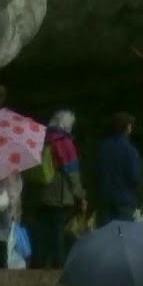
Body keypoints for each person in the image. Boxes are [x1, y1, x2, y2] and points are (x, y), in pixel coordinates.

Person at [31, 110, 87, 269]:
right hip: (59, 196)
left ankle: (37, 263)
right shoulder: (65, 142)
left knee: (41, 231)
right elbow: (72, 172)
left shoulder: (43, 139)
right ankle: (58, 265)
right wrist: (80, 195)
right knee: (58, 233)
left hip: (41, 193)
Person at [97, 111, 143, 226]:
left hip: (105, 199)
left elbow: (97, 173)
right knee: (123, 237)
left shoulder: (103, 147)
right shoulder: (130, 150)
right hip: (125, 201)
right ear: (127, 127)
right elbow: (135, 177)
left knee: (107, 237)